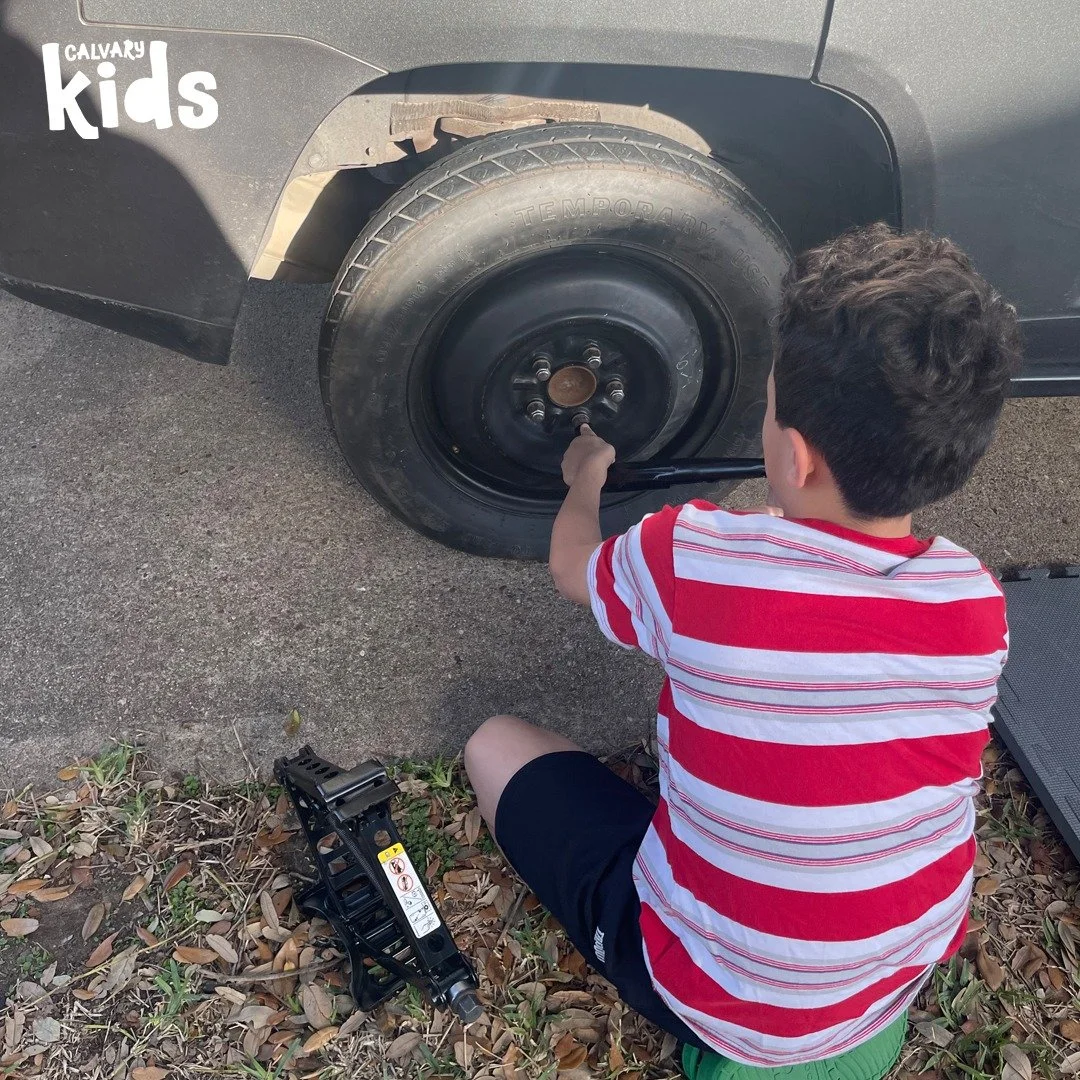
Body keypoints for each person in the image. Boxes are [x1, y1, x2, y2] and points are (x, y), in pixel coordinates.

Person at [463, 224, 1021, 1079]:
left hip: (712, 990)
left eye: (766, 406)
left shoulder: (697, 557)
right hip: (892, 971)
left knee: (493, 743)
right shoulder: (975, 602)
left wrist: (584, 476)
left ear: (792, 456)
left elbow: (572, 567)